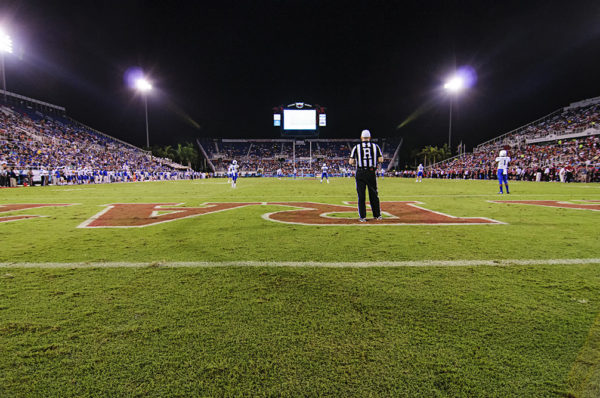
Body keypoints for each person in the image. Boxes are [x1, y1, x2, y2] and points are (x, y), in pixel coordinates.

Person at [349, 129, 383, 222]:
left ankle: (362, 216)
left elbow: (351, 161)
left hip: (360, 172)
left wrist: (357, 162)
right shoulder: (375, 146)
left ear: (361, 137)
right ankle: (377, 215)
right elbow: (381, 160)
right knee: (374, 194)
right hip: (371, 172)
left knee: (361, 196)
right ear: (370, 138)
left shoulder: (357, 147)